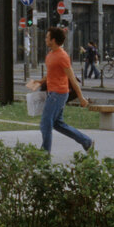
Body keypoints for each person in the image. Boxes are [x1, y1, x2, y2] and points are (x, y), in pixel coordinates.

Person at [26, 26, 94, 154]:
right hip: (52, 92)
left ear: (53, 40)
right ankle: (86, 141)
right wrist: (39, 81)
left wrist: (81, 98)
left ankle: (44, 154)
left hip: (59, 94)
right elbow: (51, 74)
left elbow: (72, 79)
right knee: (57, 124)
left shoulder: (63, 56)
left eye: (47, 37)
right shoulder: (50, 55)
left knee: (45, 123)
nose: (45, 39)